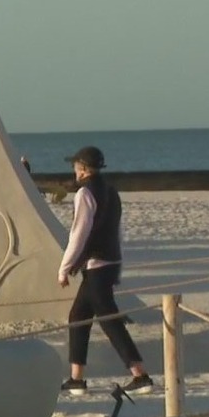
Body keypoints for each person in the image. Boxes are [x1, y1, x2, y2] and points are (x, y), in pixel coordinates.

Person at [57, 146, 154, 395]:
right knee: (78, 317)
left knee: (110, 322)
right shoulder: (111, 190)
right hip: (109, 262)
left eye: (76, 166)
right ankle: (76, 379)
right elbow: (117, 231)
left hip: (96, 266)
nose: (74, 170)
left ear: (83, 169)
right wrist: (117, 265)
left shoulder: (84, 193)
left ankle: (140, 375)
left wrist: (64, 268)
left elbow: (78, 234)